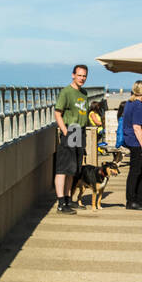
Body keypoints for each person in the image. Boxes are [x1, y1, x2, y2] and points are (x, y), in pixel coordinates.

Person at [51, 64, 90, 215]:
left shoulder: (84, 93)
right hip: (70, 129)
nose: (82, 78)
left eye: (84, 76)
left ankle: (68, 199)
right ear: (73, 75)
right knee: (63, 168)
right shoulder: (66, 92)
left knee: (73, 169)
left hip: (80, 130)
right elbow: (58, 113)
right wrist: (66, 132)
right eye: (79, 75)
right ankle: (61, 203)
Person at [120, 80, 142, 211]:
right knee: (136, 172)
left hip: (133, 141)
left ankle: (139, 199)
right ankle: (131, 200)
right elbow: (137, 127)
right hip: (137, 143)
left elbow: (135, 118)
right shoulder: (137, 105)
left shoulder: (131, 103)